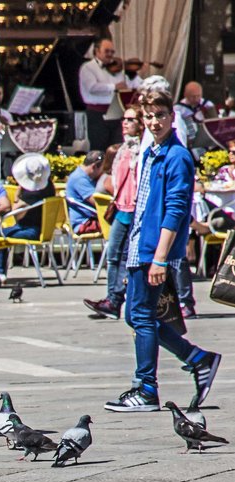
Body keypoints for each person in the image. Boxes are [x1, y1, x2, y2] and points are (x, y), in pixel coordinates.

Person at [104, 90, 221, 413]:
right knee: (135, 315)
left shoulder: (176, 156)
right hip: (140, 245)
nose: (154, 122)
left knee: (140, 316)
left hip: (152, 249)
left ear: (172, 117)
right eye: (149, 116)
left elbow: (175, 210)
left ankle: (147, 388)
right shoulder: (153, 151)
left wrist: (160, 257)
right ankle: (198, 359)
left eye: (160, 115)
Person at [85, 107, 143, 319]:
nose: (125, 123)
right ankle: (112, 300)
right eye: (124, 119)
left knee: (128, 257)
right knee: (113, 255)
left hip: (136, 209)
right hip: (121, 207)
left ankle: (121, 299)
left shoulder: (143, 148)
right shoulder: (122, 150)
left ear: (140, 122)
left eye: (131, 119)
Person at [79, 37, 130, 150]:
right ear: (97, 51)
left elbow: (127, 85)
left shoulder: (117, 70)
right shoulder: (88, 67)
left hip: (116, 110)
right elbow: (92, 88)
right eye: (107, 51)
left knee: (117, 146)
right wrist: (114, 87)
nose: (110, 54)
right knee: (99, 146)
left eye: (112, 52)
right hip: (97, 113)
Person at [65, 150, 105, 232]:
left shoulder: (85, 176)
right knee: (119, 225)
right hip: (84, 222)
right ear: (94, 167)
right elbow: (98, 202)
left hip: (93, 218)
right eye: (103, 169)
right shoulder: (79, 179)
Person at [174, 82, 217, 149]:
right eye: (193, 96)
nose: (196, 99)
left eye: (198, 96)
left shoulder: (208, 105)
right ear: (185, 95)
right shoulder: (178, 108)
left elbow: (215, 124)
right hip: (189, 142)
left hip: (207, 141)